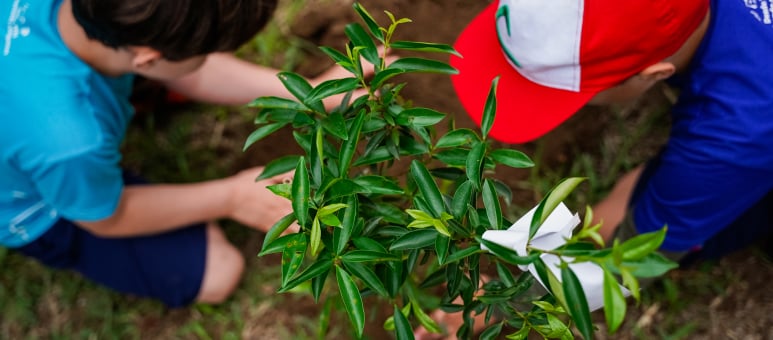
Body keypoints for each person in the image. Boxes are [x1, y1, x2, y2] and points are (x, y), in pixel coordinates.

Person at [418, 0, 773, 337]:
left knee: (700, 223)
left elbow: (631, 256)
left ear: (652, 74)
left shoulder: (737, 132)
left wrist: (503, 298)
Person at [0, 0, 369, 308]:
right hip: (39, 205)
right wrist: (232, 198)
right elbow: (106, 218)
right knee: (218, 272)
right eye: (206, 50)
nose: (214, 54)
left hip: (38, 125)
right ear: (147, 58)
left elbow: (184, 68)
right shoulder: (73, 139)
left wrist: (313, 93)